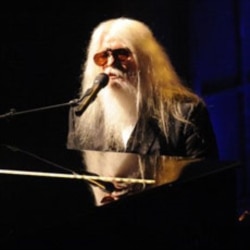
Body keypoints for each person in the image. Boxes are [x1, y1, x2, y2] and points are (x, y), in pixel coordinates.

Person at [67, 17, 219, 206]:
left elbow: (205, 186)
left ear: (146, 59)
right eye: (103, 56)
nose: (111, 63)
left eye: (122, 54)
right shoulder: (83, 114)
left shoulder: (186, 114)